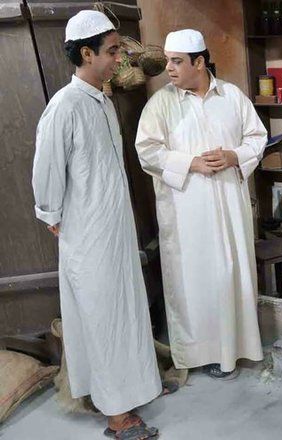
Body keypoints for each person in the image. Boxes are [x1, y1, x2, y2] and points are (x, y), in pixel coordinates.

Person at [32, 10, 162, 439]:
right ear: (86, 54)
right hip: (88, 233)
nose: (118, 59)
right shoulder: (64, 106)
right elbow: (47, 170)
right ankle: (116, 416)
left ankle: (126, 391)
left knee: (124, 311)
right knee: (103, 318)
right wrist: (52, 213)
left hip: (114, 228)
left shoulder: (102, 101)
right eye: (111, 51)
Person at [135, 29, 266, 379]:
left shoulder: (232, 96)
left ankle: (238, 347)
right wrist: (191, 163)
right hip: (186, 211)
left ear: (199, 62)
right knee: (195, 279)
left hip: (230, 206)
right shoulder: (161, 104)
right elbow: (146, 151)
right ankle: (200, 353)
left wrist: (233, 156)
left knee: (232, 272)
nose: (169, 68)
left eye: (176, 61)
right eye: (167, 61)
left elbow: (257, 137)